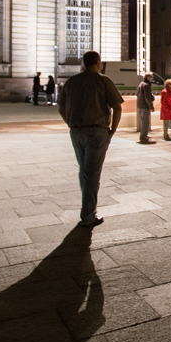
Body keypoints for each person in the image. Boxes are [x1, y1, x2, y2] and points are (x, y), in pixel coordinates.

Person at [58, 50, 123, 228]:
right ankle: (88, 215)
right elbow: (117, 106)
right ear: (97, 62)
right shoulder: (103, 80)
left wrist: (71, 123)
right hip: (97, 131)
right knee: (92, 173)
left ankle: (88, 208)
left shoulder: (72, 81)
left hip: (76, 132)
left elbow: (61, 107)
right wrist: (112, 131)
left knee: (84, 170)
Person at [135, 73, 155, 144]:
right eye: (151, 77)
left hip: (140, 105)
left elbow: (138, 94)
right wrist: (151, 107)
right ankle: (143, 137)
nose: (152, 78)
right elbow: (147, 98)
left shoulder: (141, 84)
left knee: (144, 122)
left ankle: (144, 136)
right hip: (144, 106)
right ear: (148, 77)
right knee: (146, 122)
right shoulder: (147, 85)